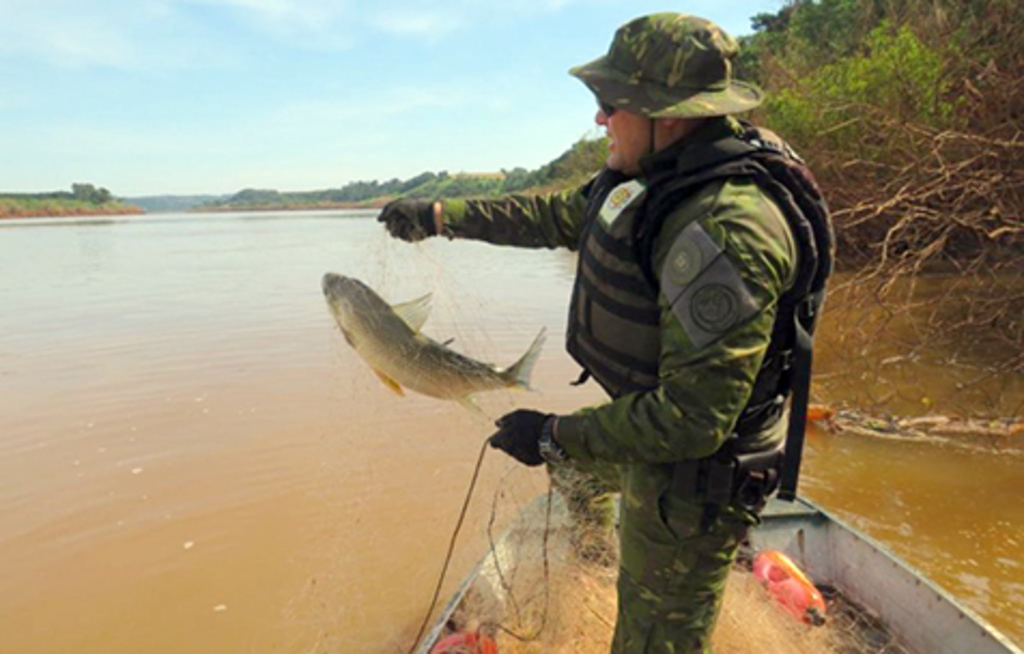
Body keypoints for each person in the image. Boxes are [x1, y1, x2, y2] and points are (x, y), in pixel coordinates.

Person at [379, 13, 833, 654]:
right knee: (581, 475)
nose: (598, 119)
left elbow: (691, 422)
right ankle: (599, 559)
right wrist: (438, 215)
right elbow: (554, 213)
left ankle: (663, 581)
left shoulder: (725, 230)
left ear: (667, 114)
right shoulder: (656, 176)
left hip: (696, 477)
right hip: (659, 431)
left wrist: (552, 433)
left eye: (609, 103)